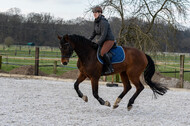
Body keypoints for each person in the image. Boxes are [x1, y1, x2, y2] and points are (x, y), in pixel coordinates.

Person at [89, 6, 115, 74]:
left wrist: (98, 43)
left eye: (96, 12)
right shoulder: (95, 22)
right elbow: (94, 33)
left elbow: (104, 35)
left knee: (102, 53)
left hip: (109, 40)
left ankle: (110, 68)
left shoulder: (103, 22)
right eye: (93, 12)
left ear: (100, 13)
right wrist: (88, 40)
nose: (94, 14)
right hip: (102, 40)